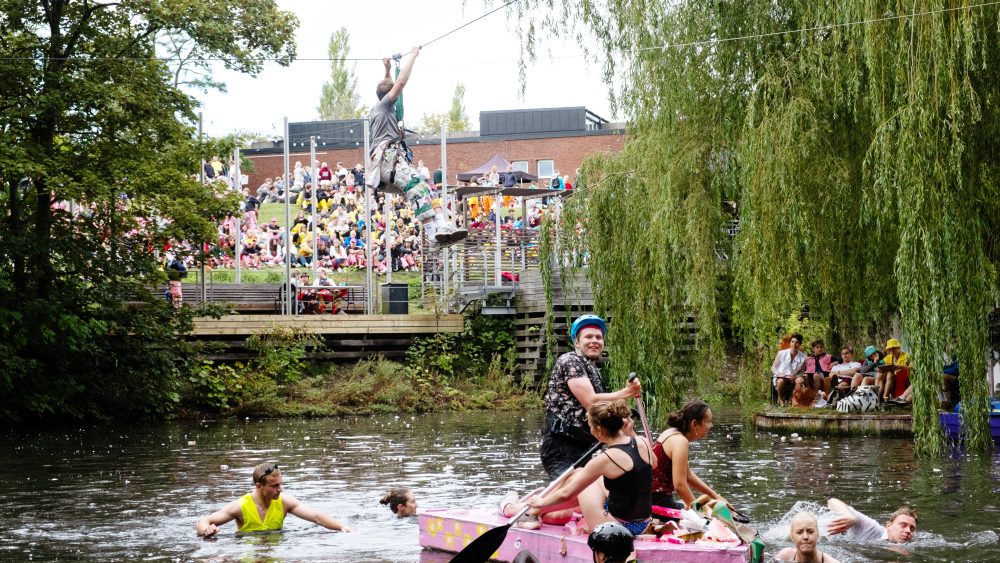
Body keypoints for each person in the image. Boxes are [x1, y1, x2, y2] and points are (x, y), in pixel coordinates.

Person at [365, 48, 466, 247]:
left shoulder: (378, 108)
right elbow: (400, 83)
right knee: (416, 187)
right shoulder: (384, 106)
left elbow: (387, 88)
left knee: (427, 187)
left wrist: (387, 70)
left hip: (391, 163)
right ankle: (432, 236)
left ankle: (442, 225)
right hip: (387, 162)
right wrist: (413, 55)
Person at [524, 400, 656, 535]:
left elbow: (567, 494)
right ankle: (535, 510)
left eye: (590, 427)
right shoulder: (642, 441)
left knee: (580, 478)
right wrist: (630, 432)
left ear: (599, 430)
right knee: (586, 475)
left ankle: (534, 510)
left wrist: (542, 502)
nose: (590, 431)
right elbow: (654, 463)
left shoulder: (604, 459)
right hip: (644, 524)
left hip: (617, 528)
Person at [540, 315, 641, 482]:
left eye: (598, 337)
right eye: (588, 337)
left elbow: (602, 407)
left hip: (584, 445)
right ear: (577, 342)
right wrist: (627, 392)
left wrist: (624, 409)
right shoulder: (570, 361)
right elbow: (591, 402)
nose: (594, 341)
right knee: (569, 493)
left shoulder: (592, 368)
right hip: (561, 446)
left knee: (587, 490)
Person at [195, 463, 351, 536]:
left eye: (280, 484)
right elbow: (204, 521)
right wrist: (206, 530)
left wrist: (342, 527)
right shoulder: (240, 506)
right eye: (274, 486)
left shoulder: (284, 502)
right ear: (259, 486)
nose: (280, 489)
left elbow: (316, 517)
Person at [650, 399, 727, 509]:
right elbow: (680, 485)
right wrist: (699, 511)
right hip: (657, 502)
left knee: (707, 504)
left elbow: (688, 476)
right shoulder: (680, 441)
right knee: (709, 512)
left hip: (652, 498)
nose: (711, 425)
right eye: (708, 421)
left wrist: (716, 497)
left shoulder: (672, 432)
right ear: (694, 424)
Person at [825, 498, 917, 543]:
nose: (908, 531)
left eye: (912, 528)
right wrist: (850, 517)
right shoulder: (872, 527)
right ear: (888, 525)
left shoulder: (909, 546)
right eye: (903, 525)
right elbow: (832, 501)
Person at [775, 512, 840, 563]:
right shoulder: (784, 556)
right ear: (792, 536)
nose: (805, 537)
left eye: (810, 532)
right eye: (799, 532)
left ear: (818, 534)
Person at [772, 333, 807, 406]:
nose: (794, 344)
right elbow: (773, 367)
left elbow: (801, 372)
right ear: (790, 343)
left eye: (797, 342)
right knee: (780, 381)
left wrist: (795, 376)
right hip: (782, 376)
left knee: (800, 380)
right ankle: (781, 400)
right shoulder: (781, 353)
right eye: (792, 342)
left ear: (800, 344)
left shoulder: (803, 357)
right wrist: (779, 374)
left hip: (793, 377)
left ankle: (792, 399)